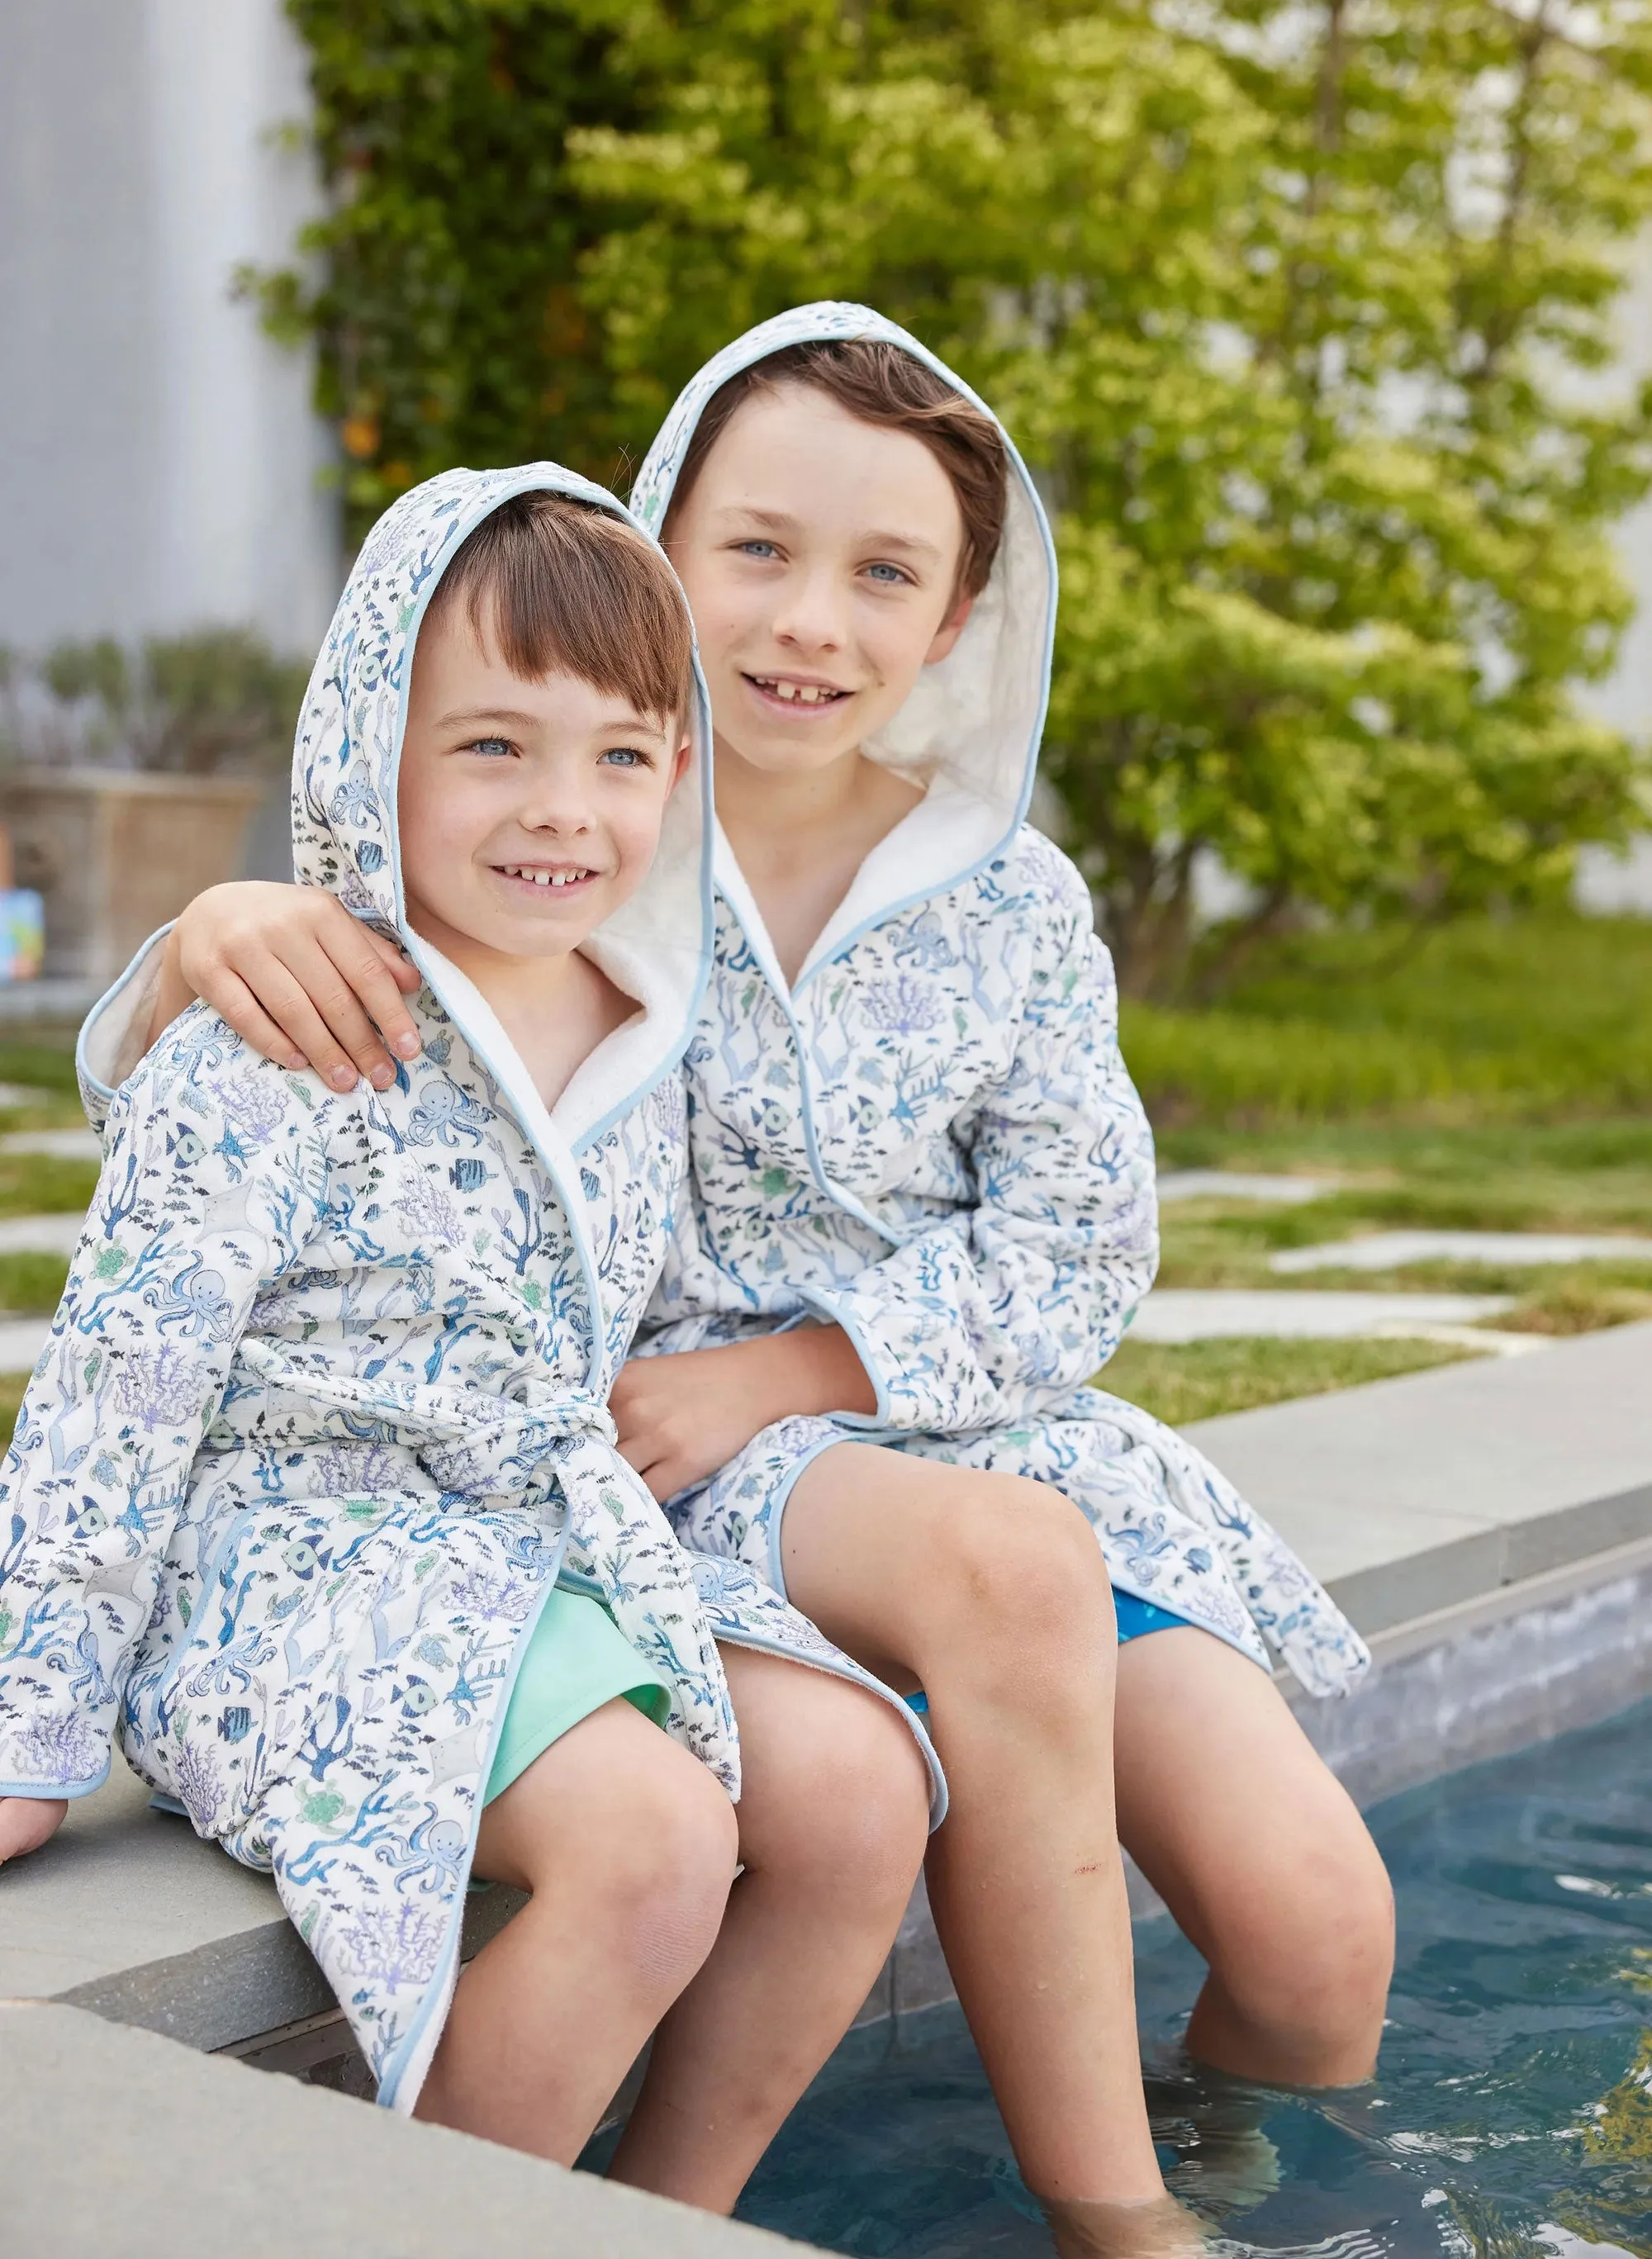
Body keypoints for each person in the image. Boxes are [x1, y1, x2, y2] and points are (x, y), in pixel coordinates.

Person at [76, 308, 1394, 2252]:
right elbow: (311, 1084)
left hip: (946, 1424)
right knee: (973, 1615)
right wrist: (204, 928)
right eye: (756, 548)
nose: (807, 620)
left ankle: (1220, 2169)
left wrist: (804, 1364)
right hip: (653, 1436)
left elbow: (1083, 1241)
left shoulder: (1009, 900)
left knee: (1317, 1934)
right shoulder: (572, 832)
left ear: (954, 621)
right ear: (655, 539)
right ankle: (1105, 2217)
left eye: (886, 573)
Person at [0, 465, 934, 2211]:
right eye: (492, 746)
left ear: (679, 764)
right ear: (375, 746)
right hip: (296, 1559)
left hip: (547, 1543)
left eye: (620, 754)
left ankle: (665, 2213)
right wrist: (27, 1724)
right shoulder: (281, 1030)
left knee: (866, 1787)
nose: (560, 810)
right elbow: (113, 1394)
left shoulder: (649, 1022)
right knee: (655, 1844)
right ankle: (432, 2220)